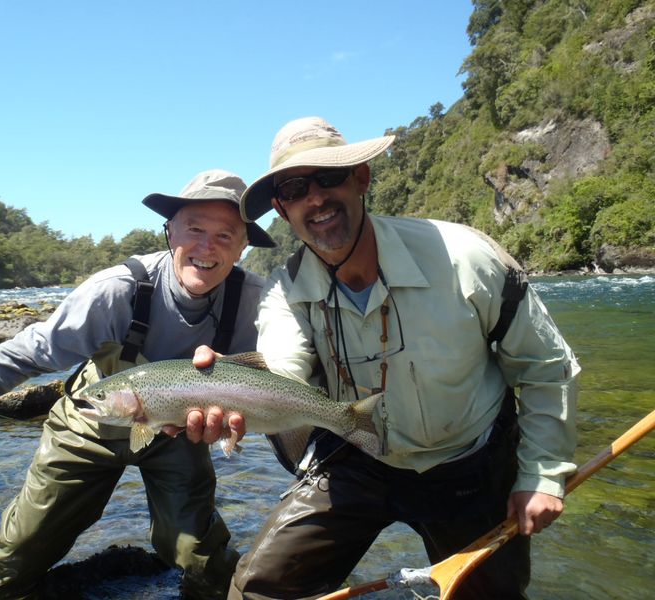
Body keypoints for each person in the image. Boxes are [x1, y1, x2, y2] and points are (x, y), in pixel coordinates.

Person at [197, 117, 580, 599]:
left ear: (361, 178)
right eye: (295, 188)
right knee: (260, 590)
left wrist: (542, 475)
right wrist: (221, 394)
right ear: (281, 208)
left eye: (329, 177)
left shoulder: (467, 259)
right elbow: (281, 374)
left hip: (471, 463)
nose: (315, 198)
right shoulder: (285, 291)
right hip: (356, 457)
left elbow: (546, 368)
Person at [0, 169, 275, 600]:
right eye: (194, 229)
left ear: (244, 246)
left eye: (225, 235)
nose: (206, 247)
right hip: (89, 424)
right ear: (170, 231)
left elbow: (287, 380)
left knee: (203, 559)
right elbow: (28, 351)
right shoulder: (118, 290)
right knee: (16, 555)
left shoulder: (257, 304)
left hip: (178, 432)